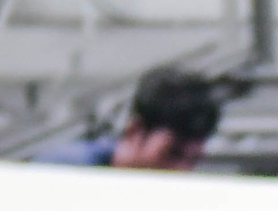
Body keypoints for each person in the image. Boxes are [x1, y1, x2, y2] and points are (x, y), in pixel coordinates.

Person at [36, 66, 224, 171]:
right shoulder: (65, 170)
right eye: (171, 154)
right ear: (135, 131)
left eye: (192, 161)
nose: (181, 171)